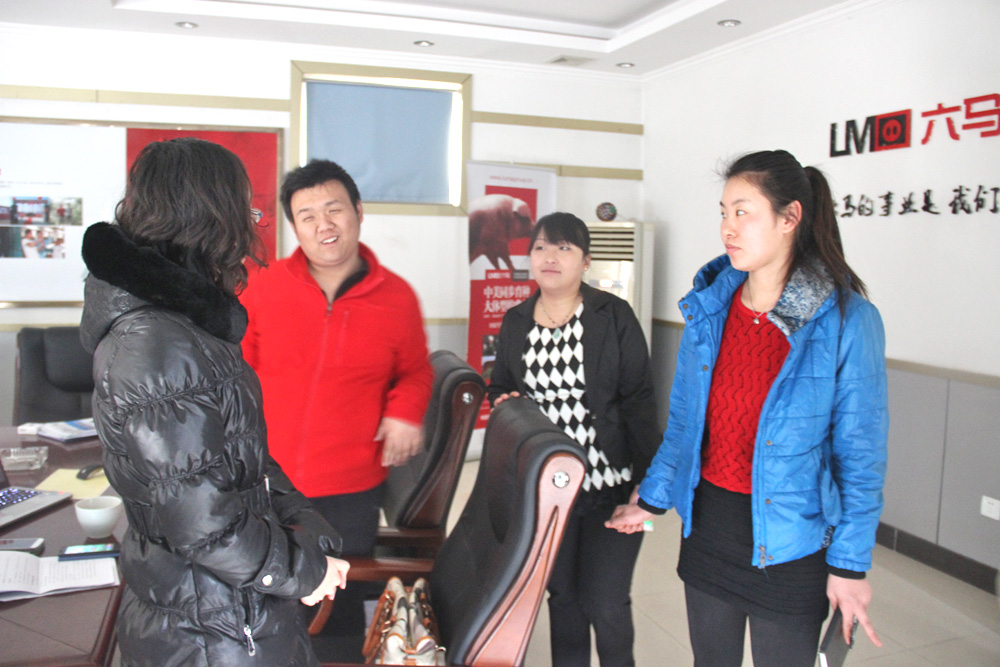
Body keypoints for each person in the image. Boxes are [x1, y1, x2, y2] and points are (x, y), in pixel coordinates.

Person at [607, 149, 889, 667]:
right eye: (723, 212)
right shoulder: (711, 310)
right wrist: (651, 499)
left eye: (743, 212)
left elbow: (860, 455)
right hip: (710, 530)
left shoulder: (848, 320)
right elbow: (686, 426)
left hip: (792, 543)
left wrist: (849, 566)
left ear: (789, 218)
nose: (727, 228)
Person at [79, 138, 350, 666]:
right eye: (245, 210)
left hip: (228, 609)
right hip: (211, 632)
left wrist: (304, 524)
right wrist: (303, 572)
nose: (250, 227)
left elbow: (242, 460)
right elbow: (203, 524)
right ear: (209, 217)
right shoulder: (157, 344)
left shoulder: (185, 325)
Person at [239, 159, 433, 642]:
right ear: (294, 226)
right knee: (265, 600)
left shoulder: (397, 297)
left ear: (358, 212)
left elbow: (415, 371)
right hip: (267, 477)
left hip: (351, 484)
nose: (323, 224)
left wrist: (405, 412)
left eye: (334, 209)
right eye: (307, 215)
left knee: (339, 607)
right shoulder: (262, 285)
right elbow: (235, 371)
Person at [488, 212, 660, 667]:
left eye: (564, 247)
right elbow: (500, 385)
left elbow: (640, 400)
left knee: (606, 600)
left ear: (585, 261)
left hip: (612, 484)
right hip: (547, 489)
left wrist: (649, 483)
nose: (550, 257)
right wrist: (502, 399)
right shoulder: (516, 321)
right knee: (563, 597)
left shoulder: (613, 315)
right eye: (541, 247)